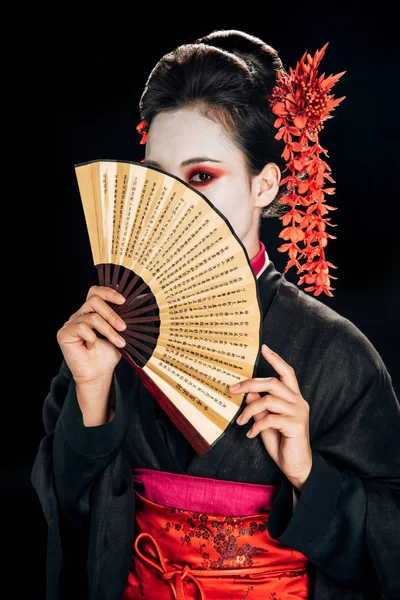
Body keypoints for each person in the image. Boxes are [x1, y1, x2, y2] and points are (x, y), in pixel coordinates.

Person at [31, 29, 400, 600]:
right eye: (155, 177)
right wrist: (92, 395)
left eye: (201, 176)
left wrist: (307, 476)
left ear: (265, 184)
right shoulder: (112, 332)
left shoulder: (337, 356)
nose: (171, 201)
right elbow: (69, 519)